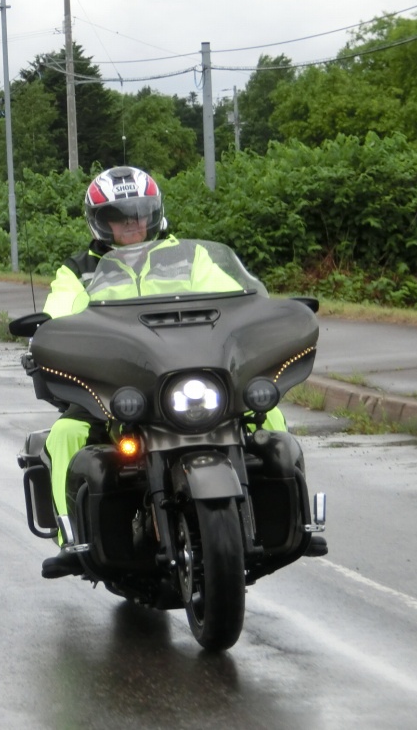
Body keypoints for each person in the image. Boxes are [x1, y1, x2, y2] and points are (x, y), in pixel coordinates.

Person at [39, 166, 290, 578]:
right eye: (119, 216)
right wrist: (48, 332)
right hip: (118, 385)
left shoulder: (188, 257)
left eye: (139, 213)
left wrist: (264, 316)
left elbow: (236, 298)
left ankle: (286, 520)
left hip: (191, 371)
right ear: (100, 222)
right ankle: (73, 540)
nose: (132, 223)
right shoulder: (79, 270)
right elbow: (60, 313)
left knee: (269, 413)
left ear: (153, 214)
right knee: (65, 433)